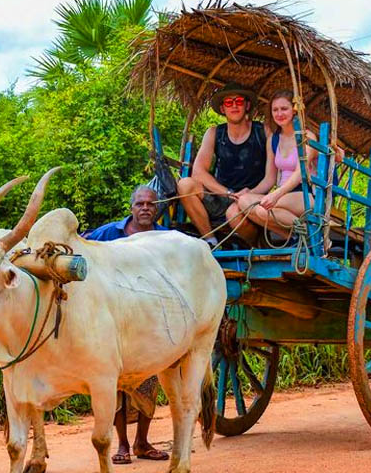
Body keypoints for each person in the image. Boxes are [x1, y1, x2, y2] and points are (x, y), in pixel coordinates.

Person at [85, 185, 169, 465]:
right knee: (117, 385)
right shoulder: (110, 233)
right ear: (131, 208)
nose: (145, 208)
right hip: (114, 319)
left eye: (150, 204)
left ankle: (142, 442)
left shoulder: (164, 239)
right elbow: (83, 243)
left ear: (156, 210)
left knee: (149, 380)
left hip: (149, 318)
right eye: (140, 204)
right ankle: (122, 445)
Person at [177, 83, 276, 246]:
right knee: (185, 184)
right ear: (223, 109)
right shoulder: (214, 133)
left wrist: (247, 195)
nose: (234, 106)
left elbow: (270, 178)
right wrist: (228, 193)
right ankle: (210, 242)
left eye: (238, 101)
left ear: (247, 105)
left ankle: (254, 246)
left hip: (252, 198)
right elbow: (198, 172)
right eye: (229, 103)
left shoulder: (263, 131)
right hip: (221, 197)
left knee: (234, 213)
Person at [236, 89, 340, 241]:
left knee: (263, 211)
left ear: (295, 110)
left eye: (284, 109)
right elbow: (269, 179)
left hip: (307, 195)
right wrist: (248, 192)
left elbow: (300, 173)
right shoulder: (273, 139)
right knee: (244, 201)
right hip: (283, 196)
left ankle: (309, 233)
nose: (279, 114)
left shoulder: (307, 136)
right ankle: (292, 238)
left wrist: (276, 195)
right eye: (275, 110)